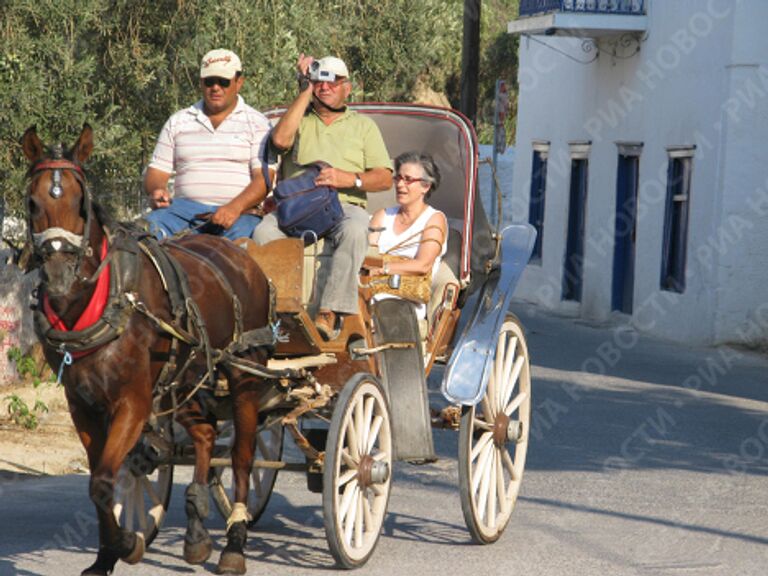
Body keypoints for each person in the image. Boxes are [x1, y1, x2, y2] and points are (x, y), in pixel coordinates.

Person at [254, 54, 393, 339]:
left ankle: (329, 312)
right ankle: (278, 313)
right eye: (319, 81)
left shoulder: (363, 126)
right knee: (263, 232)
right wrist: (305, 89)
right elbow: (279, 141)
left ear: (347, 88)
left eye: (333, 81)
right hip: (297, 206)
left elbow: (384, 177)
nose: (325, 87)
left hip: (343, 204)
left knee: (355, 228)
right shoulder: (300, 119)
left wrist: (350, 178)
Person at [143, 48, 271, 241]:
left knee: (243, 251)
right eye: (209, 81)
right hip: (182, 212)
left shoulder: (257, 123)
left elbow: (263, 180)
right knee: (145, 232)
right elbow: (157, 173)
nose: (216, 87)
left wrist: (234, 208)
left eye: (224, 81)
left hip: (239, 215)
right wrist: (157, 190)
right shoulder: (178, 121)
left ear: (239, 83)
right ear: (201, 83)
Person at [367, 152, 448, 319]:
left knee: (375, 302)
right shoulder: (382, 216)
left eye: (408, 179)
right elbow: (368, 255)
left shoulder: (434, 219)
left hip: (406, 297)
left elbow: (423, 265)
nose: (400, 184)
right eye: (398, 178)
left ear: (425, 186)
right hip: (371, 286)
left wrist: (384, 269)